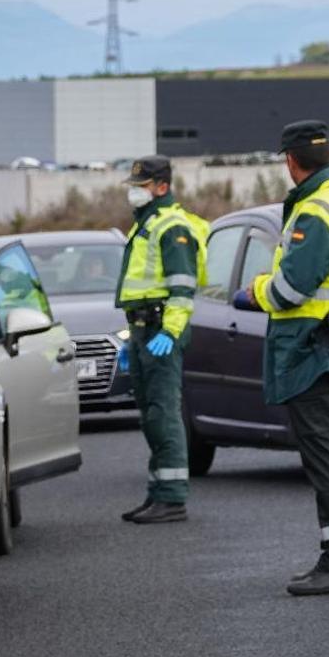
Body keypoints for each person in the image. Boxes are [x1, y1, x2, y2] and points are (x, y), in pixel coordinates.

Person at [234, 120, 329, 596]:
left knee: (328, 458)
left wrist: (254, 291)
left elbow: (290, 288)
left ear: (290, 161)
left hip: (318, 350)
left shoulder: (316, 210)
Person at [114, 155, 209, 525]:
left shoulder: (172, 227)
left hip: (159, 331)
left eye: (141, 186)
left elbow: (182, 290)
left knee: (164, 412)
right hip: (143, 330)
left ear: (162, 187)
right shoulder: (147, 223)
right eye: (134, 186)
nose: (134, 193)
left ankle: (171, 497)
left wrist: (170, 332)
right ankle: (158, 493)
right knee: (151, 413)